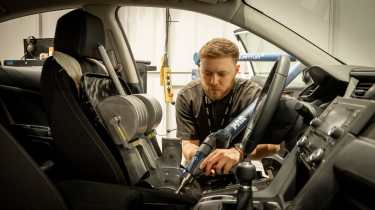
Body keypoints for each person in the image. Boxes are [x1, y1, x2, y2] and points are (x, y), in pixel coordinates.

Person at [176, 38, 280, 177]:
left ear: (237, 70)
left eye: (222, 74)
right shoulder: (187, 96)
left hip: (242, 170)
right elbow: (188, 145)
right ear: (199, 68)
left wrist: (239, 152)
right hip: (200, 170)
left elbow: (274, 147)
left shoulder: (254, 97)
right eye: (207, 73)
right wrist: (206, 158)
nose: (213, 81)